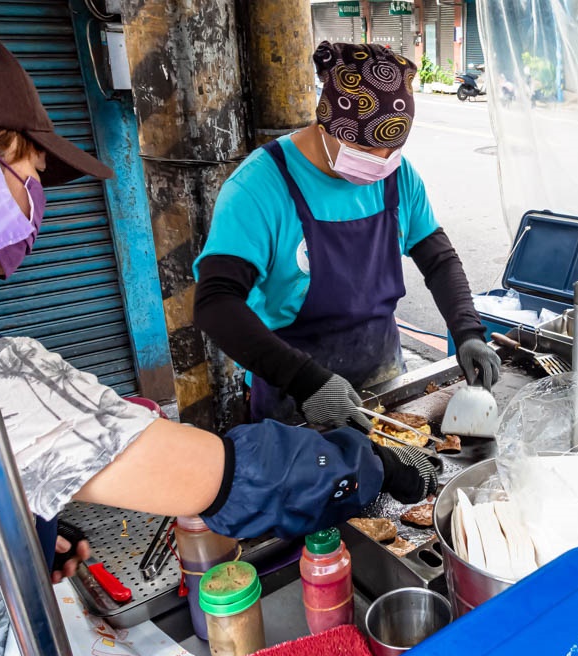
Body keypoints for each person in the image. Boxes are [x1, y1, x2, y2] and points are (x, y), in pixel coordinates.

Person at [0, 18, 436, 656]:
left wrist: (14, 534)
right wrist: (367, 463)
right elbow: (224, 476)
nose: (36, 200)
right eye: (25, 166)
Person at [194, 41, 501, 428]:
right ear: (328, 126)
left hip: (384, 379)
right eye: (363, 146)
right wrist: (306, 382)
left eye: (390, 149)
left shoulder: (398, 176)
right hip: (296, 399)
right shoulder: (258, 187)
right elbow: (216, 303)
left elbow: (438, 260)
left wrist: (467, 332)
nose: (378, 162)